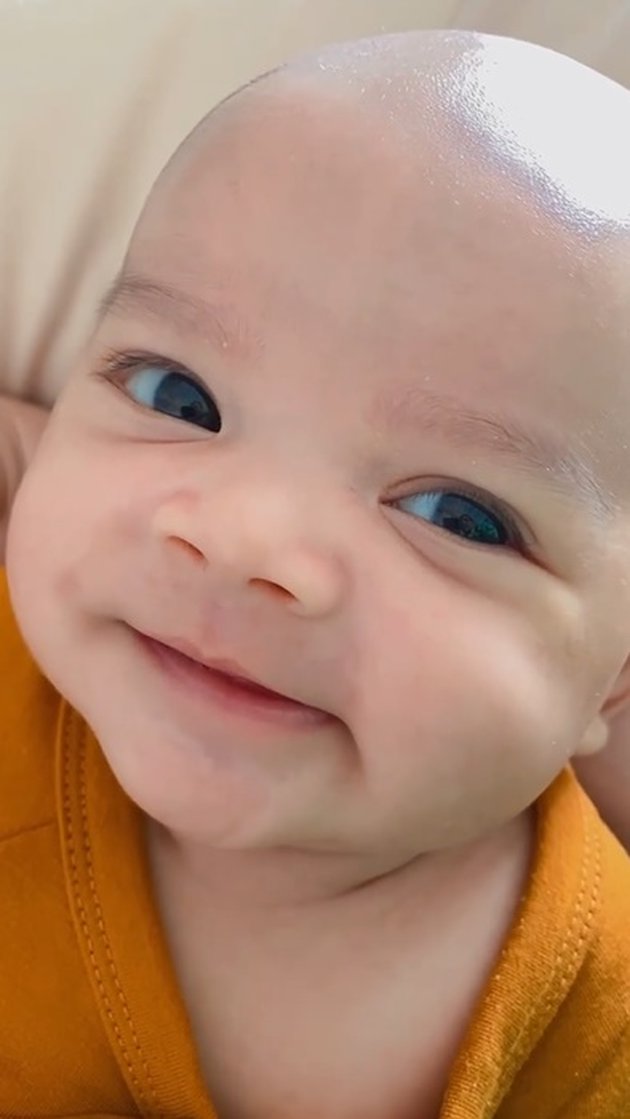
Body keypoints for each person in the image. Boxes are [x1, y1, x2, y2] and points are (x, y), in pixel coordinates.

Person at [1, 27, 629, 1119]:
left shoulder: (594, 1025)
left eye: (456, 516)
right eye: (177, 398)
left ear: (615, 678)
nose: (246, 540)